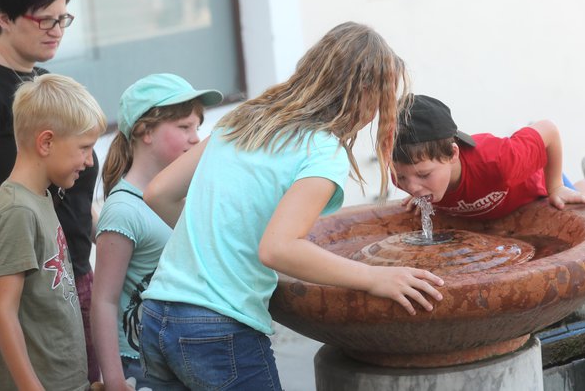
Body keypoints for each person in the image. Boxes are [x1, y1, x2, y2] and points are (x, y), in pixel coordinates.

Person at [138, 22, 445, 390]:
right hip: (218, 328)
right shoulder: (321, 149)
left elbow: (158, 193)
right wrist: (376, 277)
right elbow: (279, 248)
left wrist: (219, 244)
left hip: (157, 314)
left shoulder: (243, 120)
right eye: (381, 97)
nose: (378, 112)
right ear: (362, 90)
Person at [0, 0, 101, 381]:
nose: (58, 30)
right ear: (3, 16)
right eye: (46, 19)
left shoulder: (48, 86)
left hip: (74, 275)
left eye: (64, 18)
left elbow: (78, 196)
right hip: (28, 291)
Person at [91, 73, 222, 391]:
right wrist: (114, 380)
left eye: (197, 127)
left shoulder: (183, 197)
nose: (196, 138)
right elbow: (104, 301)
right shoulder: (124, 210)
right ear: (144, 131)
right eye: (184, 127)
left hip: (184, 355)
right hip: (142, 367)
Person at [0, 74, 106, 390]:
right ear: (46, 142)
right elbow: (3, 311)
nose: (89, 161)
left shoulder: (44, 197)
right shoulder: (18, 210)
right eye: (84, 148)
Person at [392, 94, 585, 220]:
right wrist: (422, 191)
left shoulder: (499, 161)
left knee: (581, 202)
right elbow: (413, 179)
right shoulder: (412, 178)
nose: (411, 187)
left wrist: (555, 187)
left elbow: (549, 129)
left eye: (423, 175)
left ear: (452, 154)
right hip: (500, 207)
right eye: (402, 177)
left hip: (537, 190)